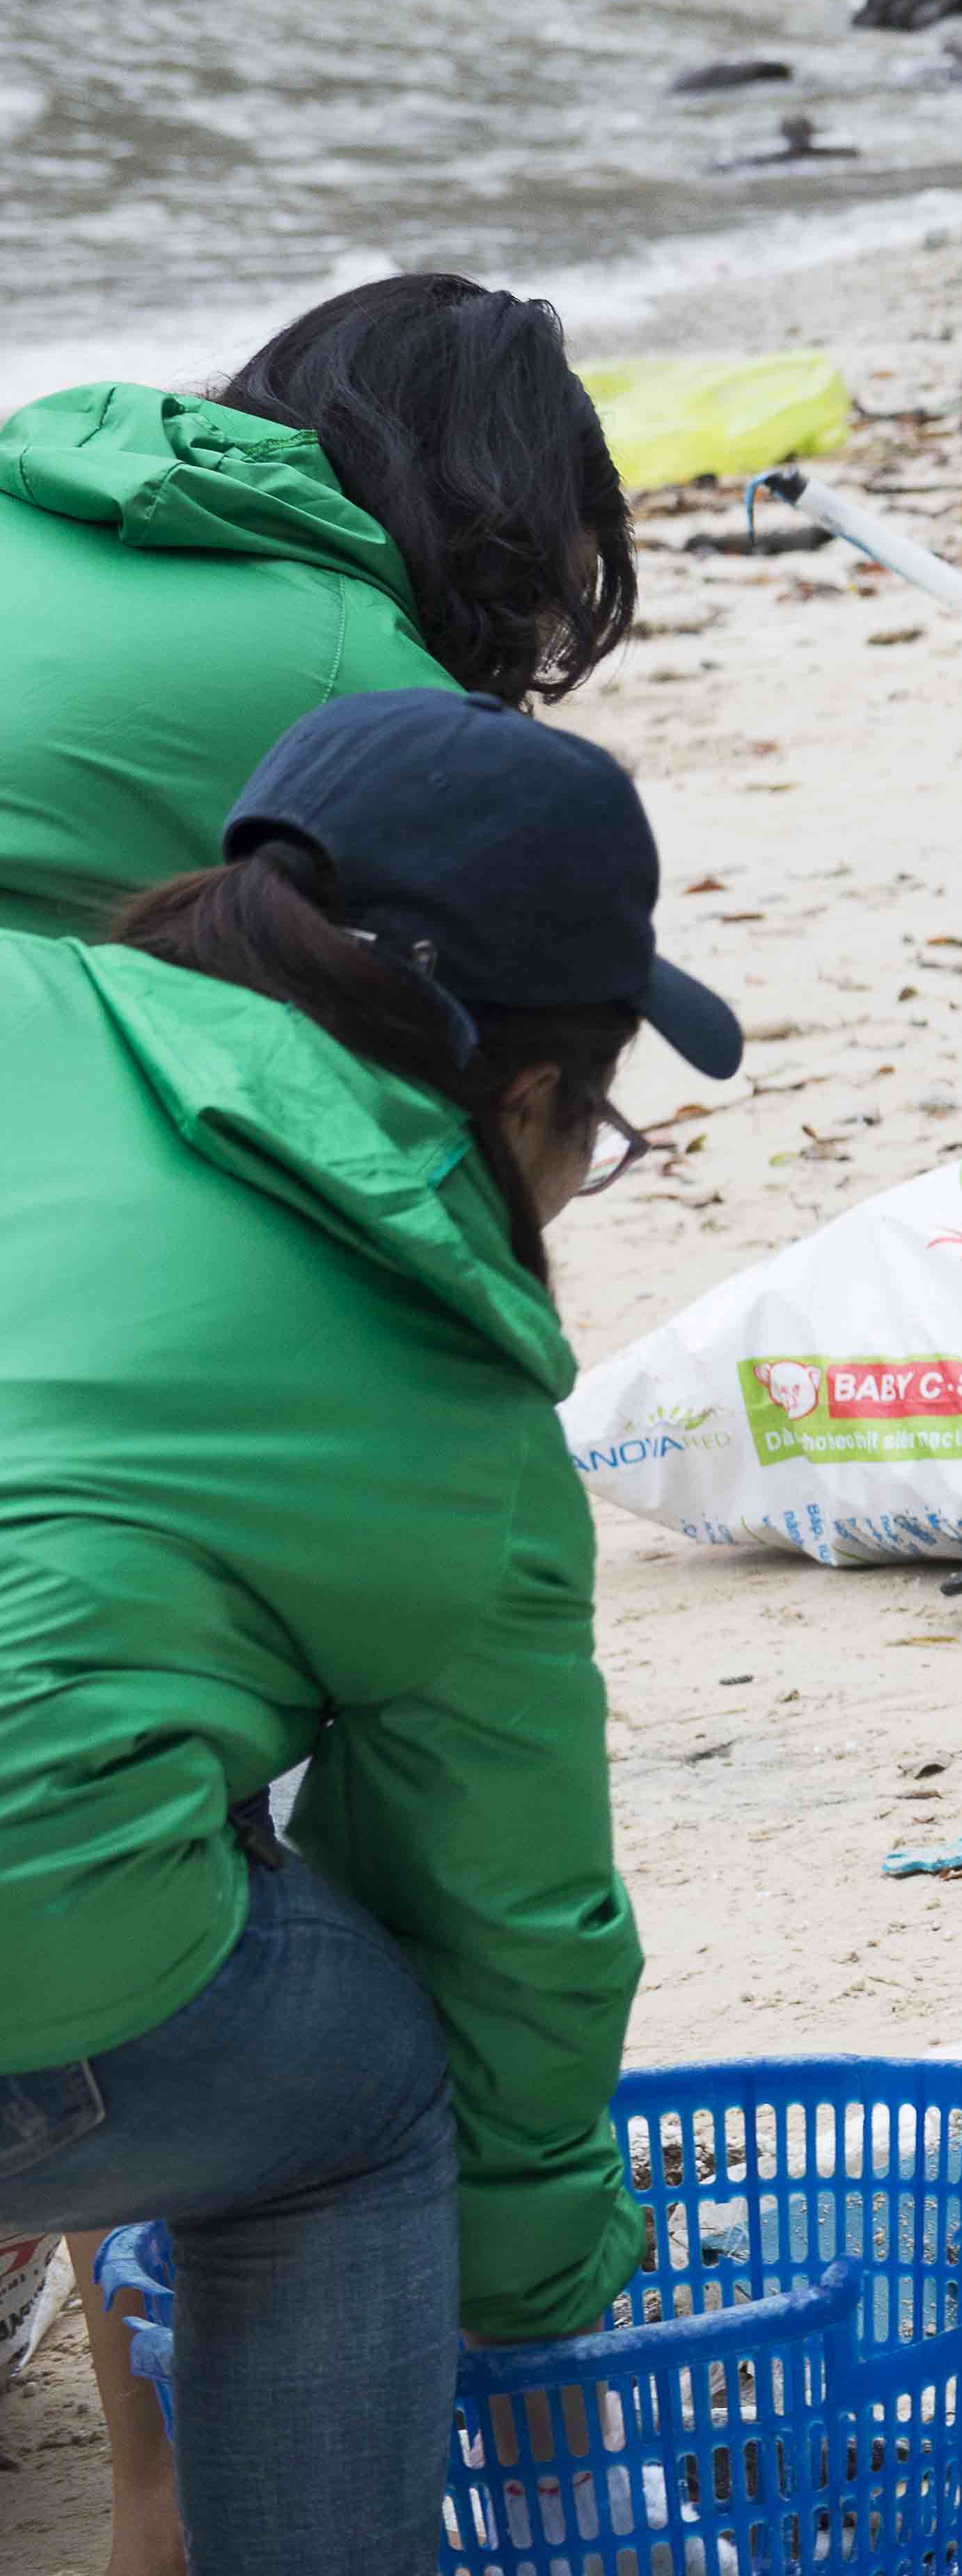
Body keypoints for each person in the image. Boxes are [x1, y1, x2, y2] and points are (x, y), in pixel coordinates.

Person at [0, 688, 735, 2576]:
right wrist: (533, 2285)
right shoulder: (450, 1390)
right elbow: (514, 1928)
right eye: (606, 1125)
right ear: (521, 1100)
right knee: (363, 2091)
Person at [0, 272, 637, 937]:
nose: (526, 648)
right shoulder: (368, 693)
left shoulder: (39, 485)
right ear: (486, 544)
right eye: (534, 603)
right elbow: (522, 1009)